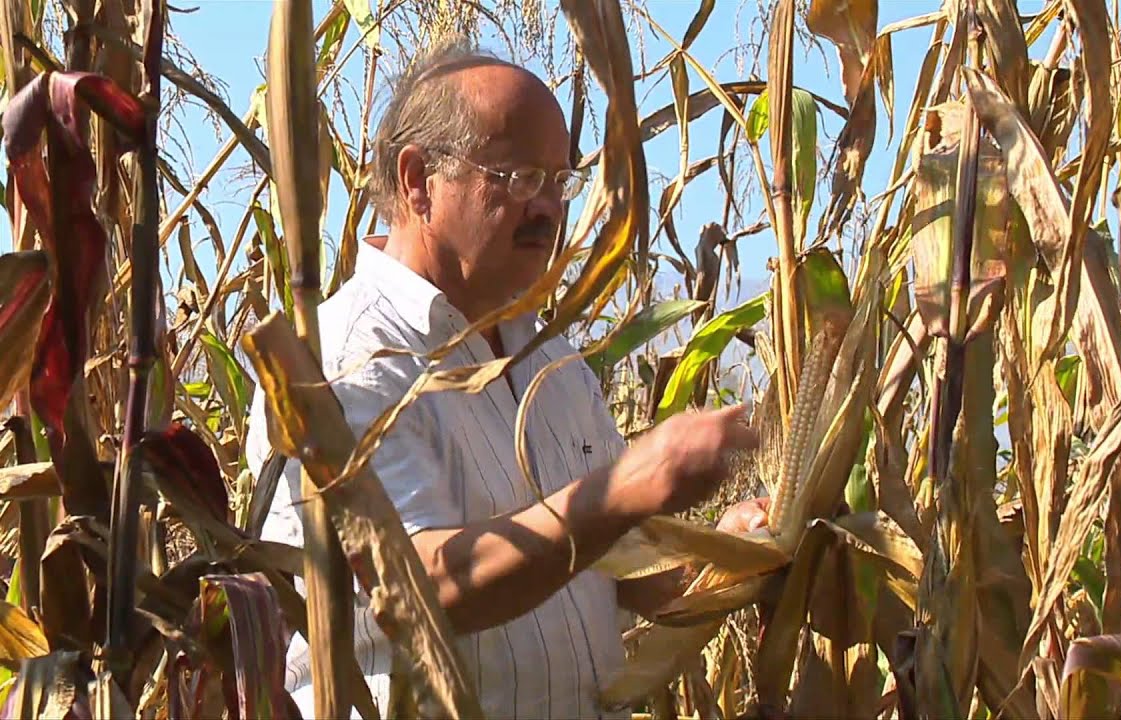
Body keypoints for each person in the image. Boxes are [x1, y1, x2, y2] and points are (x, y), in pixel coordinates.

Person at [243, 36, 769, 720]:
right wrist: (630, 485)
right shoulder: (343, 358)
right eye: (519, 178)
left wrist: (726, 552)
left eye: (559, 182)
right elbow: (418, 589)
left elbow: (615, 564)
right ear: (417, 180)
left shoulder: (551, 360)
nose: (549, 208)